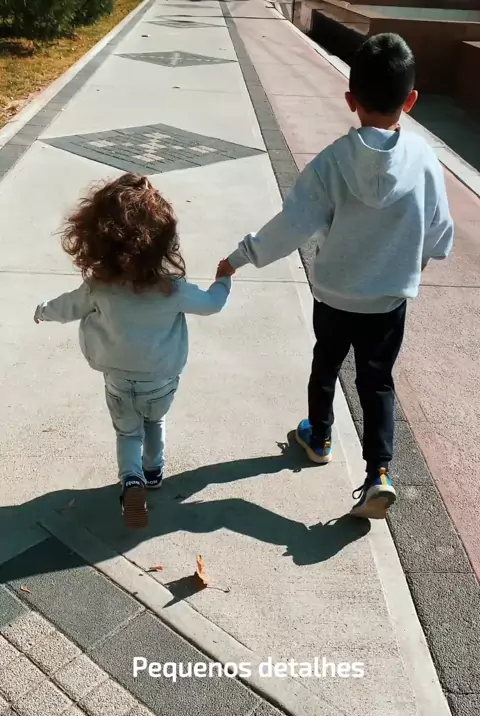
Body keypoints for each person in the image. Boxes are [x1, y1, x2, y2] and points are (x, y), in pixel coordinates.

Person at [217, 33, 454, 519]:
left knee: (325, 365)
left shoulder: (331, 163)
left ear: (350, 100)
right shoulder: (425, 161)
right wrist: (413, 265)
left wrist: (240, 257)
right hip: (387, 302)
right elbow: (440, 233)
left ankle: (319, 437)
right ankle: (378, 474)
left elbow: (290, 226)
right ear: (410, 100)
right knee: (377, 382)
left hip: (334, 296)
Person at [35, 173, 231, 529]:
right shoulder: (173, 289)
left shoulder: (99, 286)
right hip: (161, 378)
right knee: (154, 421)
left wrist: (43, 311)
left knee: (127, 432)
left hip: (118, 377)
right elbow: (211, 304)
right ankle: (153, 471)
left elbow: (67, 307)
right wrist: (224, 279)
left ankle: (132, 480)